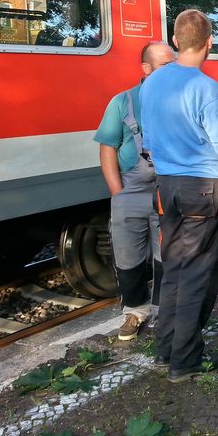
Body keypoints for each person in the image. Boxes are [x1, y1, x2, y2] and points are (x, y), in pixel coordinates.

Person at [140, 9, 218, 383]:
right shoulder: (206, 88)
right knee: (198, 273)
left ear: (177, 40)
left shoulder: (152, 84)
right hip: (204, 189)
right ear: (210, 42)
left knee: (173, 270)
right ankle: (186, 360)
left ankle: (165, 350)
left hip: (167, 187)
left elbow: (148, 141)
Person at [94, 42, 175, 341]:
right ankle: (135, 311)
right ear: (146, 69)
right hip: (131, 190)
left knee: (166, 254)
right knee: (127, 256)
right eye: (166, 64)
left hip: (167, 190)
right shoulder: (123, 102)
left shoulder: (179, 99)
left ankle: (164, 311)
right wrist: (117, 191)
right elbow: (107, 147)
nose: (173, 69)